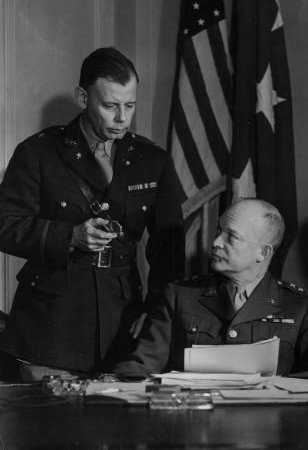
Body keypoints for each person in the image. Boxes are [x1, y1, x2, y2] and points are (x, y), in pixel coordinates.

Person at [0, 47, 185, 380]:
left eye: (130, 106)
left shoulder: (151, 159)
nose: (122, 118)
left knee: (119, 426)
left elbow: (168, 248)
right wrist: (69, 236)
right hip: (52, 325)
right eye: (110, 106)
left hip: (124, 320)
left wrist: (157, 311)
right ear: (83, 97)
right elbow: (5, 224)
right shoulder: (39, 152)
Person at [114, 199, 308, 380]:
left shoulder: (301, 307)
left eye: (232, 237)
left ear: (263, 252)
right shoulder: (179, 296)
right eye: (219, 231)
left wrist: (281, 386)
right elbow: (142, 364)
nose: (216, 243)